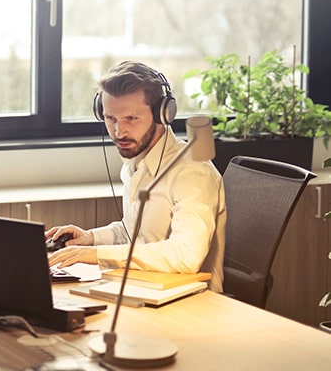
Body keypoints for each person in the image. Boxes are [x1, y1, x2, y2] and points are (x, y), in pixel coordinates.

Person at [46, 60, 226, 292]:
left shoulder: (193, 172)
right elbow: (135, 234)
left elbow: (186, 255)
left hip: (192, 301)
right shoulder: (135, 163)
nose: (119, 132)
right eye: (111, 118)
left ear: (162, 114)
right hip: (143, 288)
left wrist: (96, 254)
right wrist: (90, 238)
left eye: (131, 119)